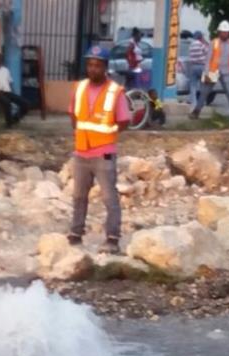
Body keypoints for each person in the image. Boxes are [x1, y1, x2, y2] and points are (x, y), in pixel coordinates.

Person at [67, 46, 131, 255]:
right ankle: (75, 233)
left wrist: (107, 133)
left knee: (109, 197)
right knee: (78, 195)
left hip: (104, 152)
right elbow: (73, 115)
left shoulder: (115, 92)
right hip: (82, 150)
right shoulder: (80, 87)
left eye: (97, 65)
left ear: (105, 67)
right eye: (90, 65)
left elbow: (123, 120)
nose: (93, 69)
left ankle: (112, 238)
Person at [193, 20, 229, 120]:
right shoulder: (214, 43)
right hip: (213, 71)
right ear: (219, 32)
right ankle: (196, 111)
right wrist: (206, 72)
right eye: (223, 32)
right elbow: (208, 58)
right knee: (204, 92)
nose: (225, 34)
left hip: (226, 71)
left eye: (226, 32)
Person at [0, 52, 30, 127]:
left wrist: (13, 93)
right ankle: (9, 124)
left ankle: (15, 118)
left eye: (0, 59)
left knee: (25, 103)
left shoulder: (5, 70)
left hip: (7, 92)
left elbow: (10, 82)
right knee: (7, 103)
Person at [187, 30, 211, 118]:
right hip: (202, 66)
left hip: (193, 67)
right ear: (200, 37)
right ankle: (202, 102)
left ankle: (193, 104)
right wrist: (205, 42)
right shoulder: (201, 44)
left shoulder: (191, 45)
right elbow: (208, 52)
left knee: (193, 86)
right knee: (204, 85)